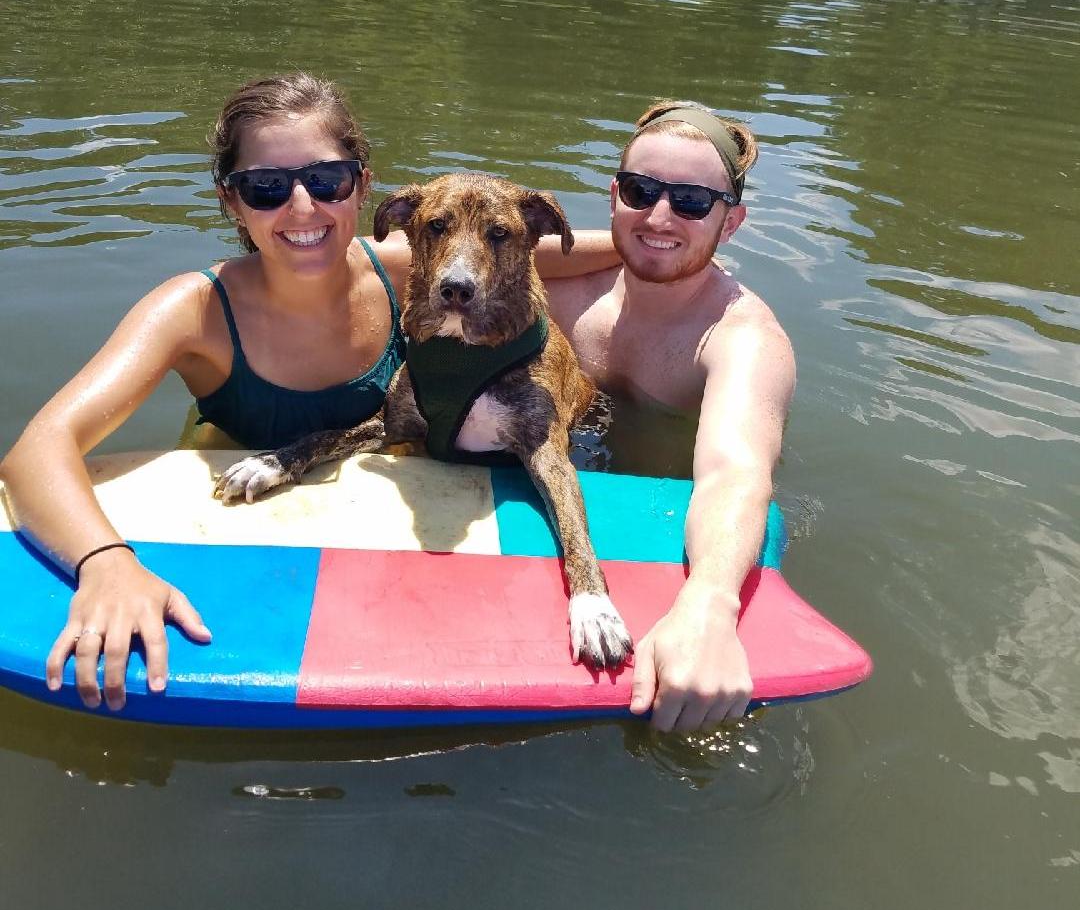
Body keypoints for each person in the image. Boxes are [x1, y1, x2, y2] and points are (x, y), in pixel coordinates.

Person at [0, 73, 621, 713]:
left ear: (361, 188)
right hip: (234, 519)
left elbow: (538, 249)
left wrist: (662, 244)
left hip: (377, 525)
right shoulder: (191, 311)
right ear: (230, 200)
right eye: (266, 187)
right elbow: (36, 451)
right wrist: (105, 563)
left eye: (325, 182)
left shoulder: (408, 269)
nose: (302, 208)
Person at [545, 101, 796, 734]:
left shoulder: (741, 338)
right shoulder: (560, 283)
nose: (658, 216)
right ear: (613, 196)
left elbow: (733, 473)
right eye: (640, 191)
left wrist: (708, 605)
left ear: (731, 222)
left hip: (660, 515)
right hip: (551, 492)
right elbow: (392, 262)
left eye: (689, 202)